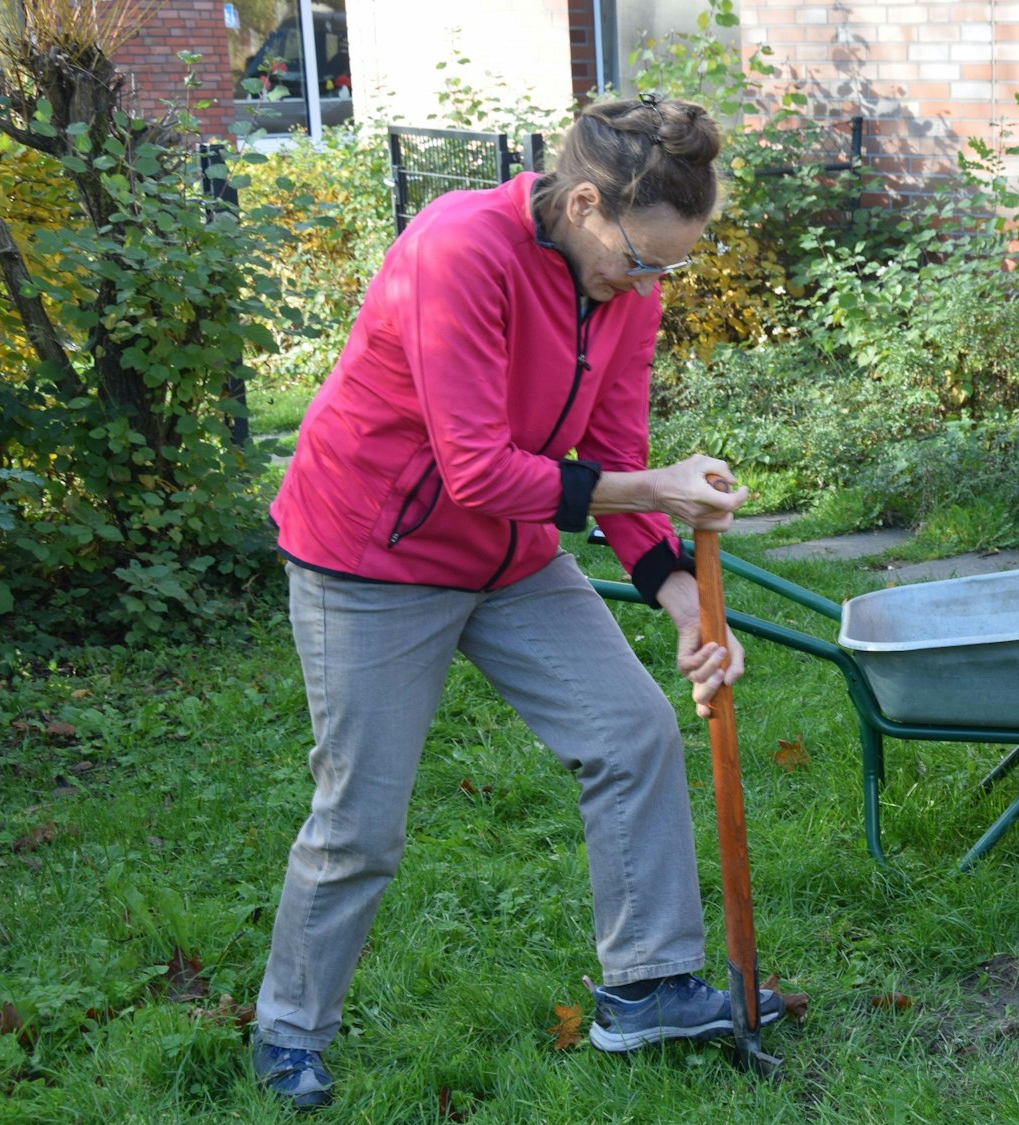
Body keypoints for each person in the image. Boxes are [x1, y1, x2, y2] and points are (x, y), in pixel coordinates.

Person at [252, 95, 781, 1109]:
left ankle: (648, 986)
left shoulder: (624, 284)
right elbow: (478, 473)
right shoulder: (458, 249)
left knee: (633, 732)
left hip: (508, 555)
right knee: (360, 818)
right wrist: (652, 488)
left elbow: (616, 458)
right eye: (646, 258)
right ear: (583, 202)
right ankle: (287, 1030)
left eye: (672, 265)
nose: (654, 281)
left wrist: (677, 596)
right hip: (373, 557)